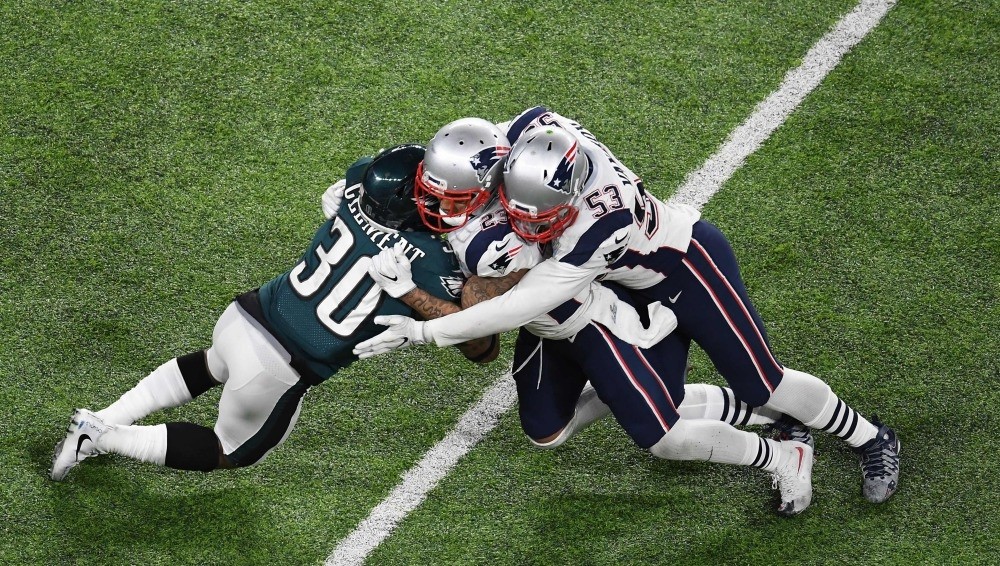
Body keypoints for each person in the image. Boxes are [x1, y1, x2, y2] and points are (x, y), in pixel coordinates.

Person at [354, 108, 901, 507]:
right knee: (642, 409)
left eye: (537, 219)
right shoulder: (528, 142)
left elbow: (518, 304)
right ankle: (765, 426)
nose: (527, 226)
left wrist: (423, 332)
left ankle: (870, 437)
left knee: (762, 384)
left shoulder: (598, 224)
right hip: (618, 291)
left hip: (682, 269)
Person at [50, 144, 497, 481]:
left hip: (245, 315)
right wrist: (426, 294)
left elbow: (364, 176)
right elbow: (481, 347)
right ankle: (103, 435)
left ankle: (103, 420)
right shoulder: (430, 258)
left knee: (211, 364)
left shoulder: (361, 180)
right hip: (278, 367)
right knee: (231, 451)